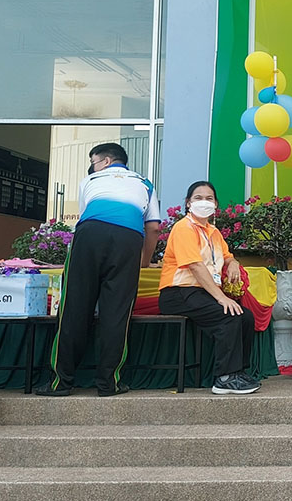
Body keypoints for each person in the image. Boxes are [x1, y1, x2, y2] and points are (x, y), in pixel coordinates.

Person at [36, 143, 161, 397]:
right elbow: (154, 228)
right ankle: (108, 383)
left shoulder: (90, 180)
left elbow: (86, 217)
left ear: (105, 161)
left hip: (90, 234)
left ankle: (61, 383)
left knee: (74, 308)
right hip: (128, 239)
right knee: (116, 313)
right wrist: (144, 261)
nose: (91, 167)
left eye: (93, 161)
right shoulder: (145, 184)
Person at [157, 181, 260, 395]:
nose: (204, 202)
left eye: (209, 198)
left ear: (215, 204)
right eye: (198, 198)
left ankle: (238, 372)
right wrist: (221, 298)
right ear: (188, 203)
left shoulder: (213, 232)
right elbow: (195, 266)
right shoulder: (184, 228)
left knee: (245, 317)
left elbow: (228, 256)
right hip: (179, 292)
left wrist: (233, 264)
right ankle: (224, 378)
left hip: (202, 293)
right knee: (228, 315)